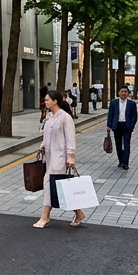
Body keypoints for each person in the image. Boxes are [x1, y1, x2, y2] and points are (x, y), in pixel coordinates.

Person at [34, 90, 85, 228]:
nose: (45, 102)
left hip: (60, 158)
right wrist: (42, 146)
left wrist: (71, 157)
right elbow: (46, 135)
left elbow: (70, 138)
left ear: (55, 101)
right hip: (50, 156)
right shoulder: (49, 116)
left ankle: (45, 217)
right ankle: (79, 213)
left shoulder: (65, 117)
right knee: (61, 188)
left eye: (47, 100)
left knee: (49, 184)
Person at [106, 86, 138, 170]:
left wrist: (131, 126)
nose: (123, 93)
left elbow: (134, 116)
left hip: (127, 126)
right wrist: (109, 125)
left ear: (128, 93)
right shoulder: (113, 103)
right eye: (122, 91)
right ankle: (120, 160)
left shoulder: (132, 103)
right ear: (118, 93)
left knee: (127, 144)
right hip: (117, 125)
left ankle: (125, 163)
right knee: (118, 144)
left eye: (125, 91)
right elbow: (110, 114)